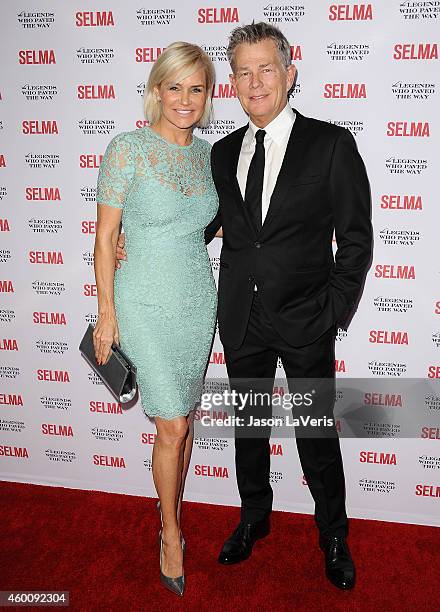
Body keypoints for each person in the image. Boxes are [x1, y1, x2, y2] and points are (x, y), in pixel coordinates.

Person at [117, 22, 372, 591]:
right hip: (241, 318)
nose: (254, 82)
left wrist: (332, 312)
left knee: (316, 434)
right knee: (249, 430)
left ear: (289, 72)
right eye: (242, 71)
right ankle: (253, 518)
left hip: (307, 320)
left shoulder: (331, 144)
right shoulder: (222, 152)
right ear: (230, 82)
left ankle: (333, 536)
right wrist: (132, 234)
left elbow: (356, 241)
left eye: (266, 68)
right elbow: (202, 223)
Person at [93, 41, 218, 597]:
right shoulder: (127, 150)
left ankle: (172, 502)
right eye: (175, 87)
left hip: (197, 299)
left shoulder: (209, 154)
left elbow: (206, 221)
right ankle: (171, 532)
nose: (185, 99)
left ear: (209, 96)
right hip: (143, 299)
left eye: (197, 89)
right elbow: (103, 237)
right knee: (171, 424)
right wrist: (106, 314)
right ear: (156, 90)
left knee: (183, 420)